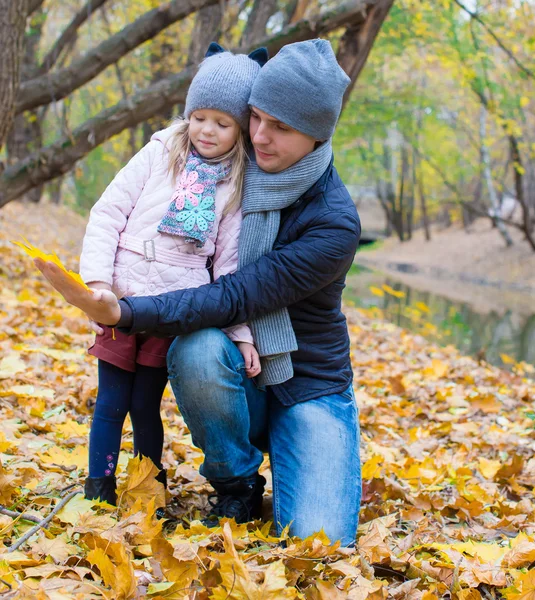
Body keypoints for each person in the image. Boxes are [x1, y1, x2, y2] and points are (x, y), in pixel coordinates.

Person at [37, 39, 362, 546]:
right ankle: (236, 484)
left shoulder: (334, 223)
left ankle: (301, 446)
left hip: (308, 383)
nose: (260, 136)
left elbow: (234, 294)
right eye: (255, 117)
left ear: (317, 135)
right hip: (237, 370)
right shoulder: (225, 163)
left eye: (281, 127)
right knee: (197, 348)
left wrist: (124, 312)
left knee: (321, 542)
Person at [76, 43, 268, 505]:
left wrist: (240, 334)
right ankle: (98, 486)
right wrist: (98, 284)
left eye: (223, 124)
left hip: (173, 309)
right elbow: (108, 213)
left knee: (145, 405)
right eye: (200, 117)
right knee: (110, 403)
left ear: (240, 129)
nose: (207, 130)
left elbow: (228, 268)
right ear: (188, 113)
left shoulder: (235, 184)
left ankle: (149, 491)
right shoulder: (159, 152)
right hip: (121, 298)